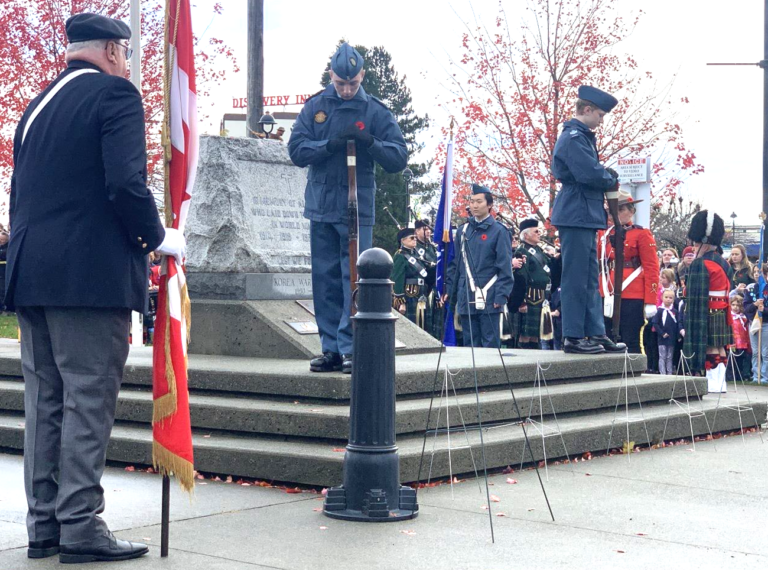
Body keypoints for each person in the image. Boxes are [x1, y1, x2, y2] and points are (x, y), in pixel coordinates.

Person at [6, 13, 185, 563]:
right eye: (125, 54)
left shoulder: (36, 107)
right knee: (87, 401)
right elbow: (125, 183)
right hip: (88, 279)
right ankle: (80, 524)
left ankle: (46, 525)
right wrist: (158, 238)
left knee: (46, 404)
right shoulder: (116, 96)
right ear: (111, 51)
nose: (127, 64)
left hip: (31, 275)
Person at [288, 42, 407, 374]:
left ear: (362, 76)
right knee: (324, 281)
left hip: (357, 208)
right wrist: (328, 145)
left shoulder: (375, 111)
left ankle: (351, 345)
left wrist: (372, 143)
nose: (346, 89)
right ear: (332, 76)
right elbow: (296, 150)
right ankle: (331, 349)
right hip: (323, 207)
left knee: (352, 279)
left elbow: (399, 156)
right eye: (341, 83)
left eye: (352, 83)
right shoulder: (316, 108)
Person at [550, 85, 626, 355]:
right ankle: (572, 335)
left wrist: (604, 174)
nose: (601, 120)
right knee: (575, 278)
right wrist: (609, 176)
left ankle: (595, 331)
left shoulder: (581, 137)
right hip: (576, 211)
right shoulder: (573, 137)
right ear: (587, 109)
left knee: (590, 278)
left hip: (584, 212)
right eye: (600, 115)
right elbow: (590, 174)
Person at [444, 185, 513, 348]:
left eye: (479, 201)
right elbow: (455, 264)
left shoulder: (499, 231)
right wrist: (450, 290)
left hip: (489, 293)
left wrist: (501, 294)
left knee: (490, 343)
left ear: (489, 205)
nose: (474, 205)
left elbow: (504, 267)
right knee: (469, 342)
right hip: (466, 292)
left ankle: (490, 375)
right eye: (472, 201)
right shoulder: (463, 231)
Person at [597, 190, 659, 355]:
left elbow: (652, 267)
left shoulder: (641, 234)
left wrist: (651, 299)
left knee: (631, 339)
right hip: (607, 291)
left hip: (632, 292)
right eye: (611, 210)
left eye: (620, 209)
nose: (614, 214)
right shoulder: (603, 235)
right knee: (607, 339)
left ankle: (634, 375)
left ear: (631, 211)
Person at [683, 211, 732, 391]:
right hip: (722, 310)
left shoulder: (701, 263)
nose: (694, 246)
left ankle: (712, 382)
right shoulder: (723, 262)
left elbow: (693, 292)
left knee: (711, 347)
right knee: (720, 347)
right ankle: (720, 382)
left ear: (702, 240)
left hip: (708, 310)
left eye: (696, 242)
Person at [514, 218, 553, 349]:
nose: (539, 233)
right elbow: (520, 277)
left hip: (542, 297)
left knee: (536, 333)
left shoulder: (539, 251)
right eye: (536, 231)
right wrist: (522, 301)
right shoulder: (522, 251)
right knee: (526, 334)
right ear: (526, 235)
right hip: (530, 297)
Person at [391, 227, 430, 326]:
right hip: (409, 295)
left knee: (423, 323)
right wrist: (401, 302)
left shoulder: (417, 255)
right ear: (403, 241)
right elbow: (397, 279)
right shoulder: (400, 256)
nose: (415, 240)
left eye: (415, 238)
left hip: (421, 293)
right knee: (411, 323)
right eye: (411, 238)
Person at [744, 263, 768, 384]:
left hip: (765, 324)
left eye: (760, 272)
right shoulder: (751, 289)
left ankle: (764, 377)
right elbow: (746, 308)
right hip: (753, 323)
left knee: (765, 352)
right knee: (755, 351)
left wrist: (764, 310)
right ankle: (756, 375)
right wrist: (754, 305)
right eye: (755, 272)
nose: (757, 274)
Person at [652, 290, 685, 375]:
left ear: (673, 300)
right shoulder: (660, 311)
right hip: (662, 338)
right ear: (662, 298)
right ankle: (662, 373)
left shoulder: (675, 312)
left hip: (671, 338)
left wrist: (678, 336)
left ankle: (669, 372)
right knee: (662, 356)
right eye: (666, 297)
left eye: (671, 298)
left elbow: (677, 324)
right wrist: (662, 333)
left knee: (670, 356)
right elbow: (655, 323)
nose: (668, 299)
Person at [728, 295, 752, 382]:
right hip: (732, 342)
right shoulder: (729, 316)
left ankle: (741, 376)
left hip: (743, 342)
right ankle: (730, 376)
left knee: (741, 360)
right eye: (733, 305)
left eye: (738, 305)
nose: (735, 307)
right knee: (731, 361)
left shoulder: (744, 317)